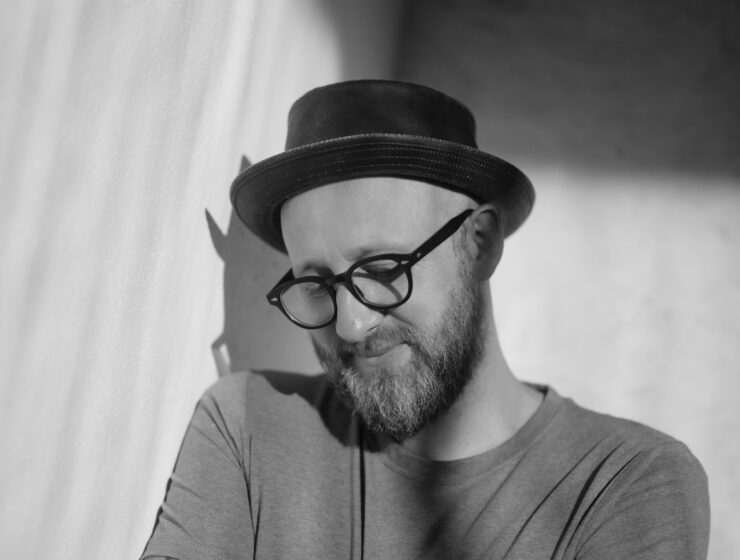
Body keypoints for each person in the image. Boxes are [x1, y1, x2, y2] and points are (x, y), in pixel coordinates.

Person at [141, 80, 710, 559]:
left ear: (480, 243)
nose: (351, 326)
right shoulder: (246, 426)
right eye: (316, 285)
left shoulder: (624, 481)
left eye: (382, 269)